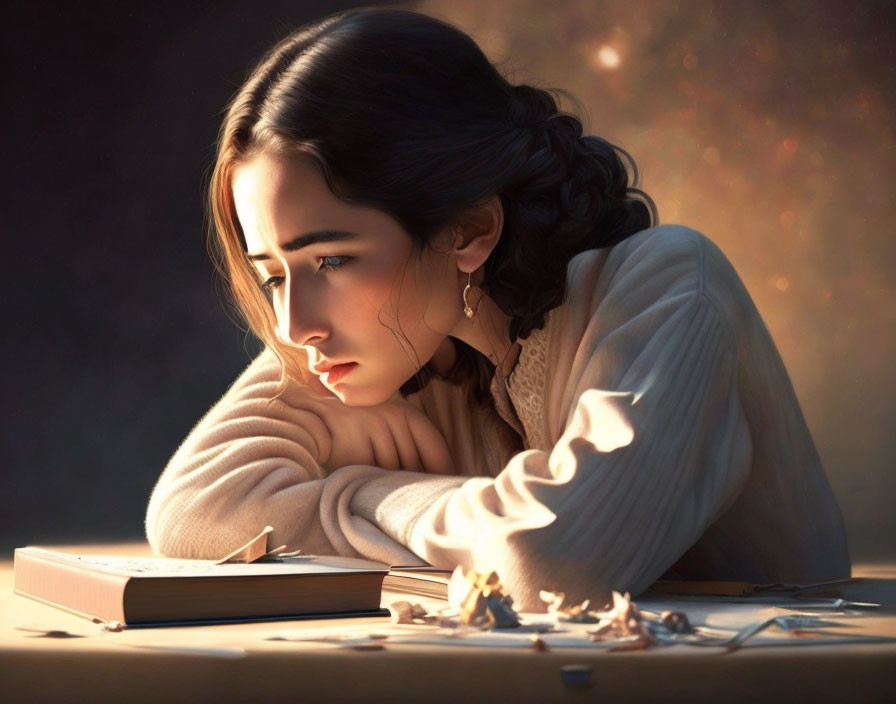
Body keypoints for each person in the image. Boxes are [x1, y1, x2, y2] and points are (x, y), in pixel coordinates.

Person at [145, 8, 850, 610]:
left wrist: (364, 496)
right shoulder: (400, 344)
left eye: (332, 260)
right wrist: (400, 498)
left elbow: (556, 562)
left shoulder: (669, 286)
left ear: (469, 231)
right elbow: (194, 509)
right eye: (273, 274)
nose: (297, 328)